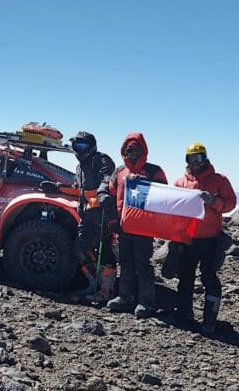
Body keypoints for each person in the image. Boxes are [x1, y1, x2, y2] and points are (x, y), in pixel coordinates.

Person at [98, 132, 167, 318]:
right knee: (126, 262)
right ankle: (125, 297)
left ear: (144, 150)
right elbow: (110, 192)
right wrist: (112, 219)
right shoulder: (120, 171)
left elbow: (164, 196)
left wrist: (144, 183)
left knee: (143, 263)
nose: (133, 153)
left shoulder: (154, 171)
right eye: (129, 150)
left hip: (144, 227)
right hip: (123, 226)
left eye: (137, 150)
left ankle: (146, 302)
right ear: (124, 152)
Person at [41, 132, 116, 302]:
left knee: (104, 251)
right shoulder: (80, 167)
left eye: (83, 145)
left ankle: (107, 290)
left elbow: (107, 179)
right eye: (76, 146)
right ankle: (95, 283)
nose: (79, 150)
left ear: (92, 146)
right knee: (80, 249)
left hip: (102, 212)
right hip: (87, 215)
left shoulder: (101, 160)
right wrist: (57, 188)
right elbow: (77, 188)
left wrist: (104, 194)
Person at [173, 142, 237, 333]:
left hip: (211, 239)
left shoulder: (219, 180)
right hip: (188, 239)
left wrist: (214, 201)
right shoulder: (180, 182)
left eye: (199, 157)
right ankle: (184, 314)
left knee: (209, 277)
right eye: (191, 158)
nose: (196, 162)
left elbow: (231, 203)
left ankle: (210, 318)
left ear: (206, 158)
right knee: (185, 277)